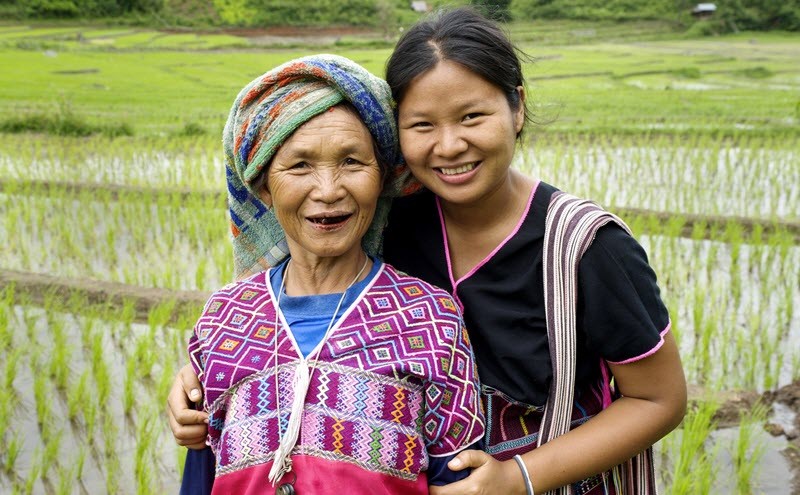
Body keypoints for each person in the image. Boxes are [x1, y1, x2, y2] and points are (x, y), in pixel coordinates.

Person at [169, 8, 687, 495]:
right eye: (421, 125)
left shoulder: (585, 248)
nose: (448, 146)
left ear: (518, 107)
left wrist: (517, 478)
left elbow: (658, 399)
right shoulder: (389, 219)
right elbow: (285, 309)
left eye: (472, 117)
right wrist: (202, 375)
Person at [181, 53, 485, 495]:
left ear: (383, 178)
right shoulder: (223, 320)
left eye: (351, 162)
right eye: (300, 165)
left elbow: (459, 480)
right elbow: (199, 480)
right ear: (263, 185)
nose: (328, 191)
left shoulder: (430, 319)